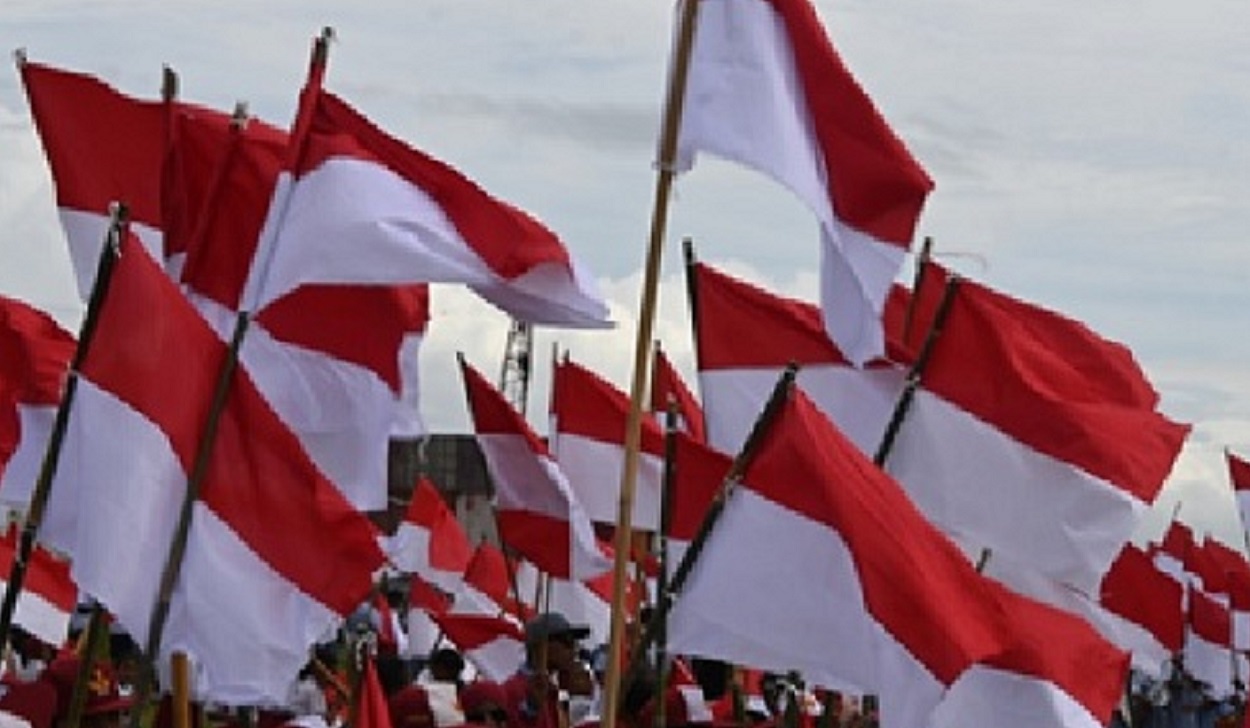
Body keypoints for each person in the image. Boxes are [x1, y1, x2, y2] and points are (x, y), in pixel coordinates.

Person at [502, 613, 595, 728]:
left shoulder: (552, 691)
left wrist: (581, 698)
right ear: (541, 645)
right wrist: (532, 709)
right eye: (567, 641)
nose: (574, 649)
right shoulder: (512, 690)